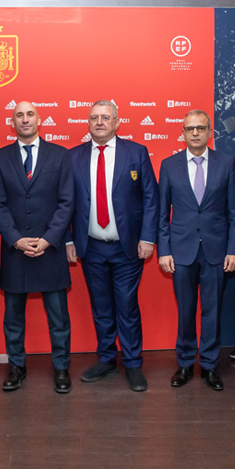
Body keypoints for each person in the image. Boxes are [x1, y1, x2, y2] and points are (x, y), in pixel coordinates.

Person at [67, 100, 159, 392]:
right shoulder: (74, 157)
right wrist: (69, 239)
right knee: (101, 306)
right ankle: (107, 358)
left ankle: (132, 363)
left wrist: (147, 238)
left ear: (117, 122)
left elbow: (151, 199)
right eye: (94, 118)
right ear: (88, 123)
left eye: (105, 118)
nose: (99, 123)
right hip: (91, 246)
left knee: (127, 306)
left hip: (127, 247)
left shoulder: (136, 152)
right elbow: (65, 203)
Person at [0, 102, 74, 394]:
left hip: (50, 249)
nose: (24, 120)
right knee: (13, 317)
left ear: (40, 119)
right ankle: (17, 367)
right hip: (16, 251)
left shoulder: (60, 156)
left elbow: (67, 203)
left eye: (29, 114)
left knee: (59, 318)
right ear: (11, 121)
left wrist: (49, 238)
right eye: (18, 115)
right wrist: (15, 239)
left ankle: (62, 368)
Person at [158, 110, 235, 390]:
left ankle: (208, 365)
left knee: (212, 310)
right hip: (181, 251)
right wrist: (164, 250)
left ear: (210, 132)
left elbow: (234, 212)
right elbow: (162, 214)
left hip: (217, 251)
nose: (195, 133)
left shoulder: (226, 164)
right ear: (182, 133)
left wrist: (234, 249)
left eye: (200, 128)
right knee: (185, 310)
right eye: (190, 128)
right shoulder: (168, 166)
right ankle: (184, 363)